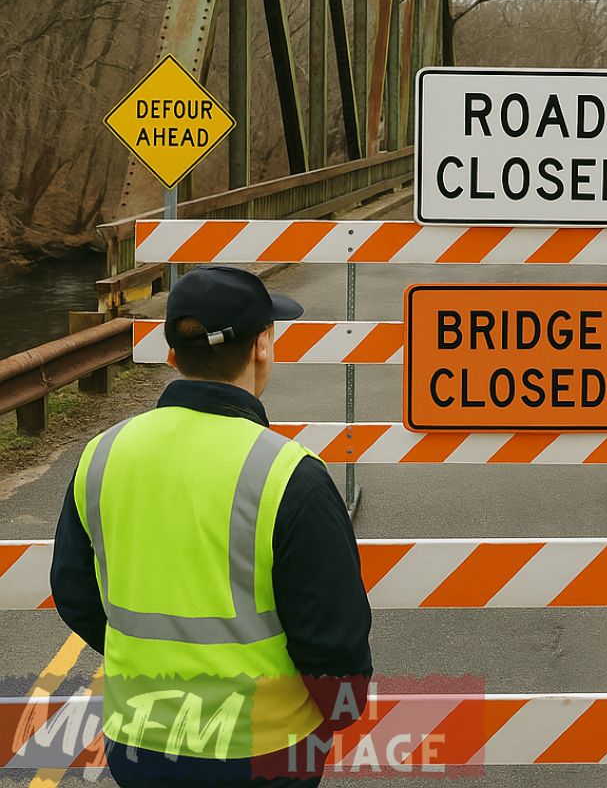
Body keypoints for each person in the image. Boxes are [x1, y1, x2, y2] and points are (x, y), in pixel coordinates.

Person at [51, 265, 373, 787]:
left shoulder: (103, 455)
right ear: (262, 345)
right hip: (264, 747)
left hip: (139, 741)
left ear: (174, 354)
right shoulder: (289, 474)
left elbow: (74, 593)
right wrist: (335, 713)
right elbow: (333, 636)